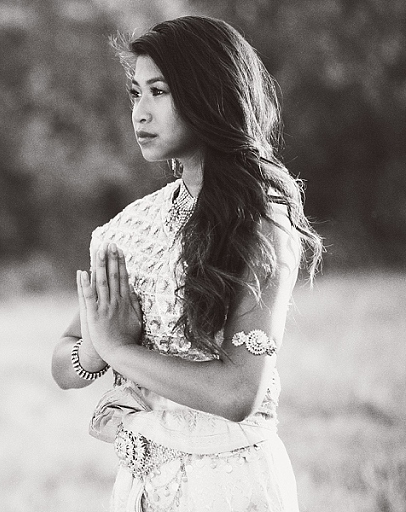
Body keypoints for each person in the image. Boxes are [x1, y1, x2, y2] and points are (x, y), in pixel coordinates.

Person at [51, 15, 323, 512]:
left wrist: (116, 348)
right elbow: (65, 358)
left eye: (159, 91)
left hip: (228, 485)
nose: (140, 113)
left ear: (209, 95)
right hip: (141, 488)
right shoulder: (131, 227)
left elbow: (238, 392)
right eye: (135, 93)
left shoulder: (261, 223)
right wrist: (95, 350)